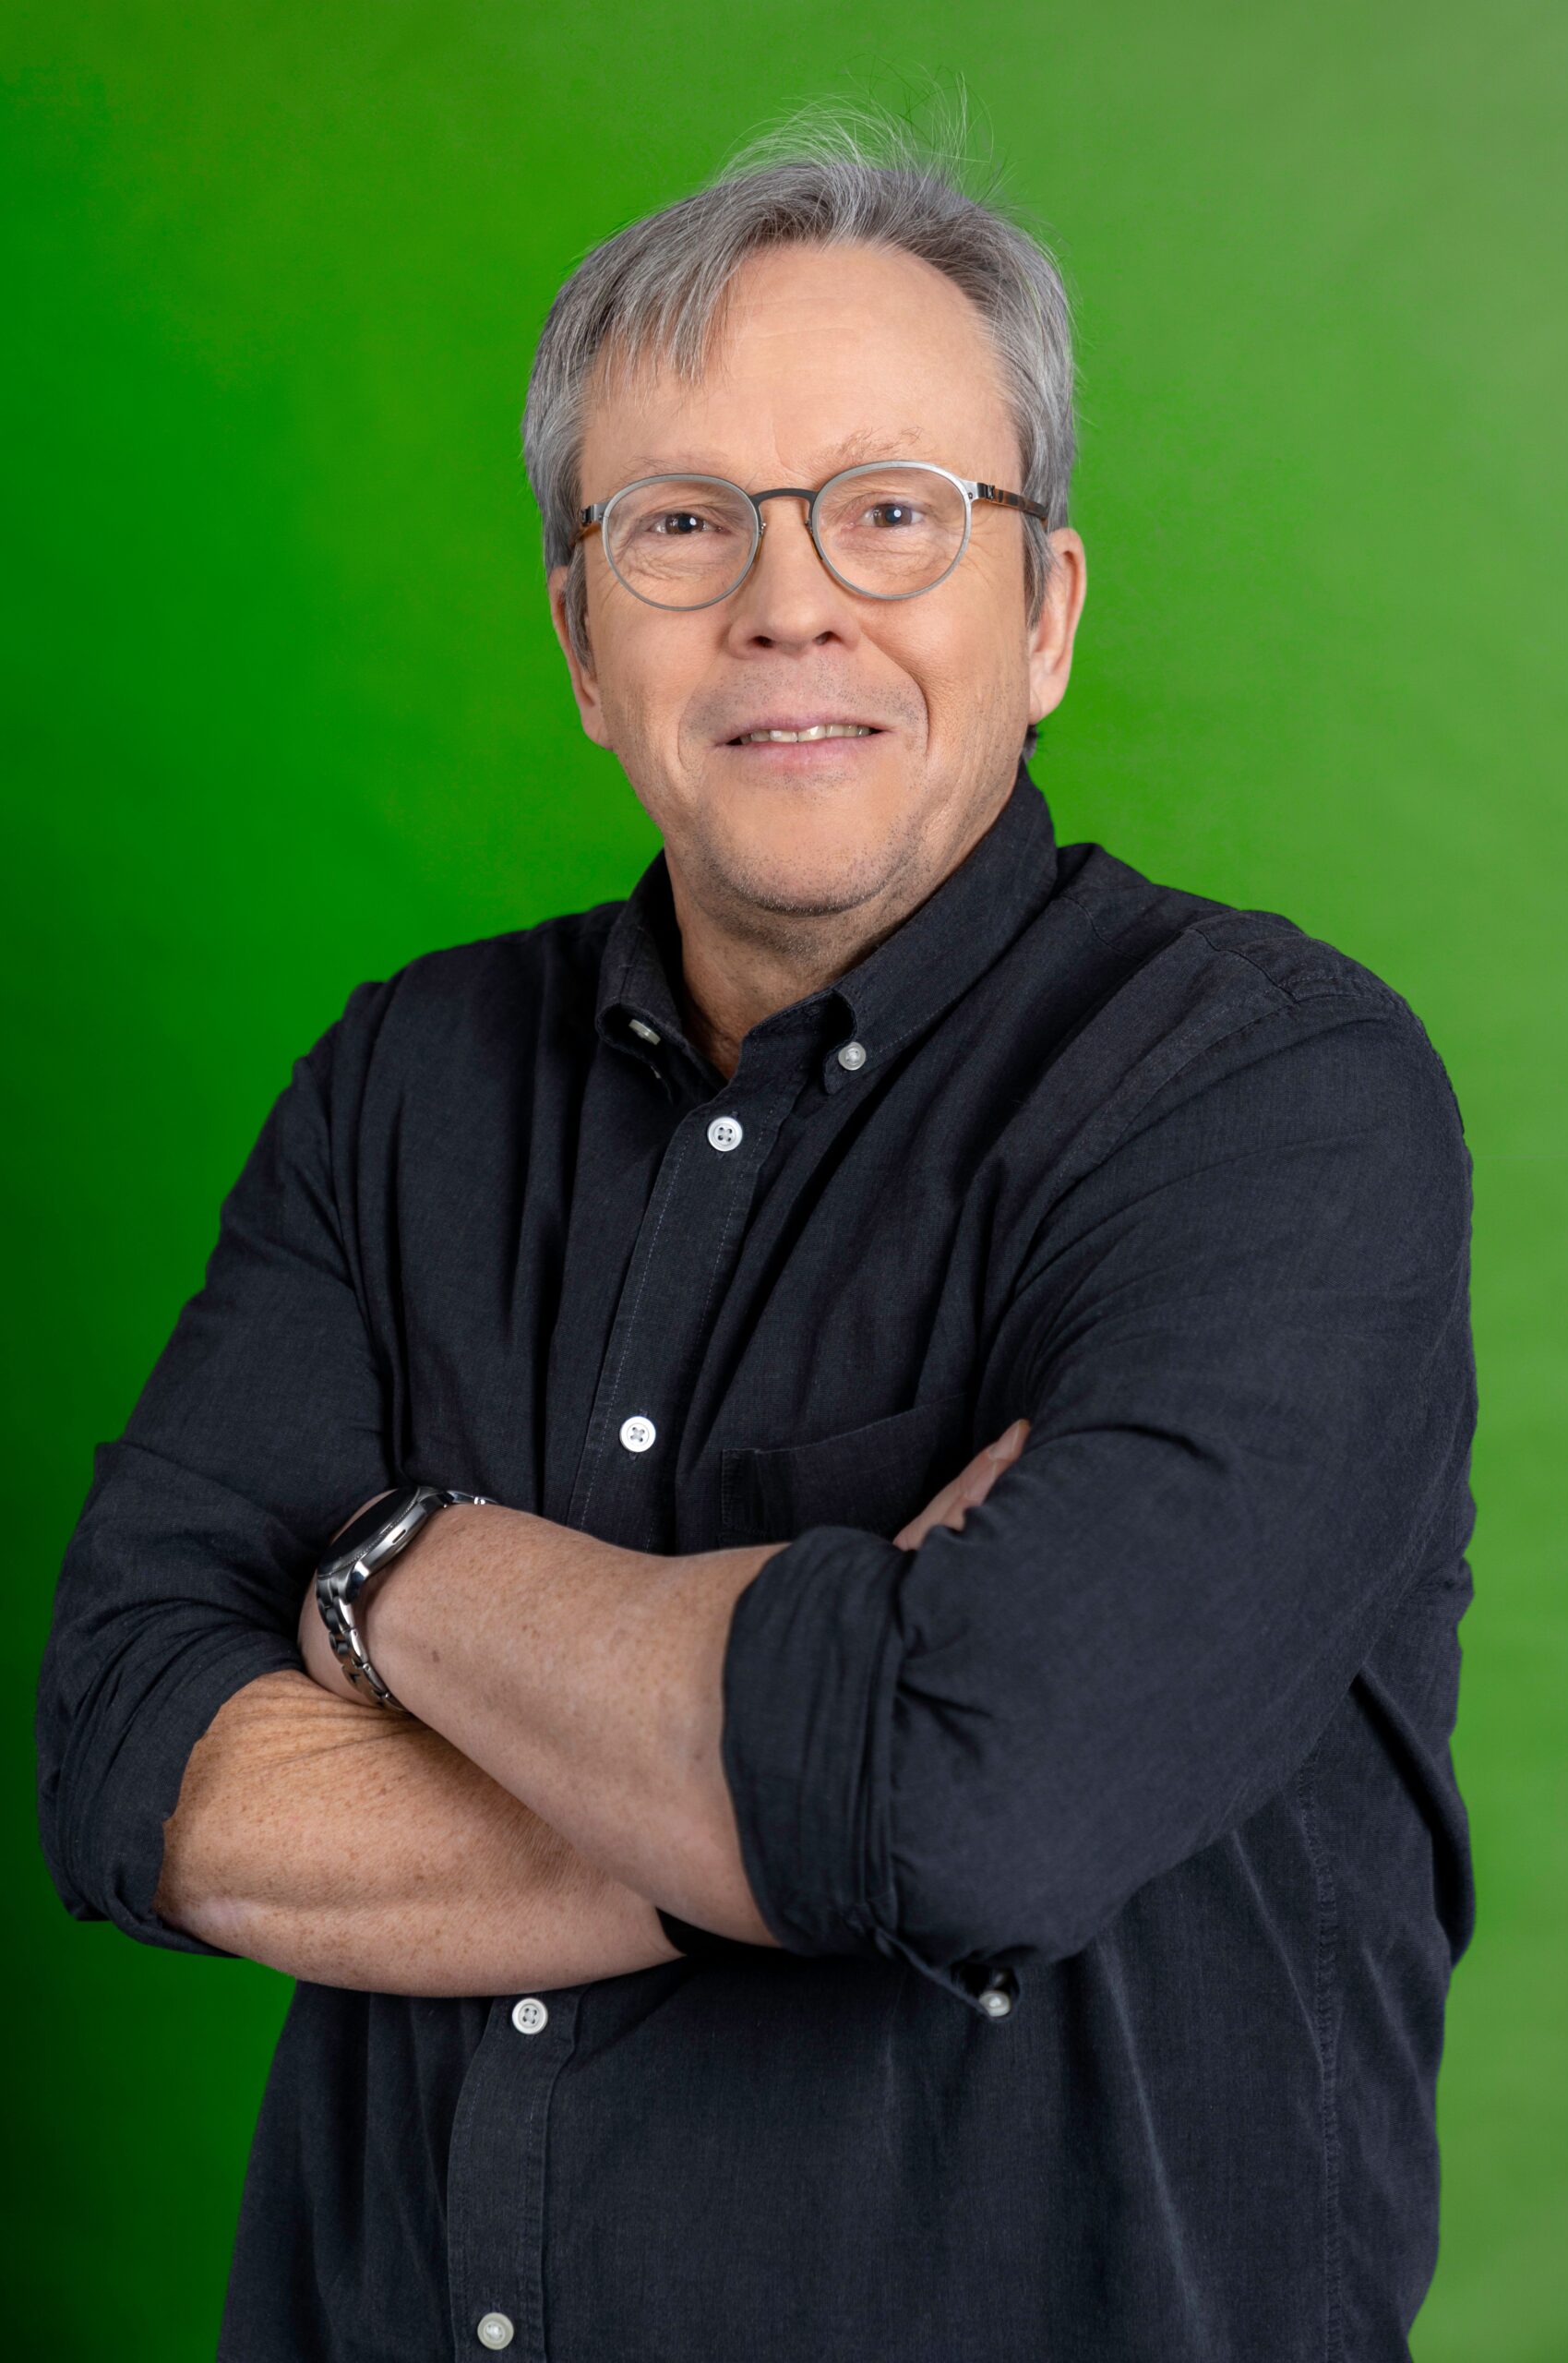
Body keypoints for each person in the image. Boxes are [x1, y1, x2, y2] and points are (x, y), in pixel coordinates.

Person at [35, 109, 1477, 2363]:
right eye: (682, 523)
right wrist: (801, 1771)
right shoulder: (401, 1083)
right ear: (583, 642)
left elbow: (978, 1798)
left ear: (1043, 613)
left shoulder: (1266, 1100)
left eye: (891, 511)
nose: (786, 599)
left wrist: (391, 1568)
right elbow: (133, 1759)